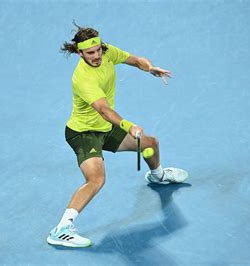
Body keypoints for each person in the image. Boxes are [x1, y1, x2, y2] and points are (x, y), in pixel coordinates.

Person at [47, 22, 188, 248]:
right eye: (90, 53)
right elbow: (103, 109)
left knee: (150, 143)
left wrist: (149, 67)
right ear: (79, 53)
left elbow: (134, 60)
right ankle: (61, 229)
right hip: (84, 133)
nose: (96, 56)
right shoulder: (83, 78)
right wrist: (128, 125)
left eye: (98, 50)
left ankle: (158, 175)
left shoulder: (107, 52)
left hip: (105, 128)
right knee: (96, 179)